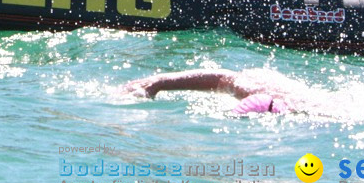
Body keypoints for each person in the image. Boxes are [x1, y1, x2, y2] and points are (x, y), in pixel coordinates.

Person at [123, 69, 311, 115]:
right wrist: (157, 82)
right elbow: (224, 78)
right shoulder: (266, 87)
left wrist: (157, 83)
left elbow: (224, 78)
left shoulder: (281, 97)